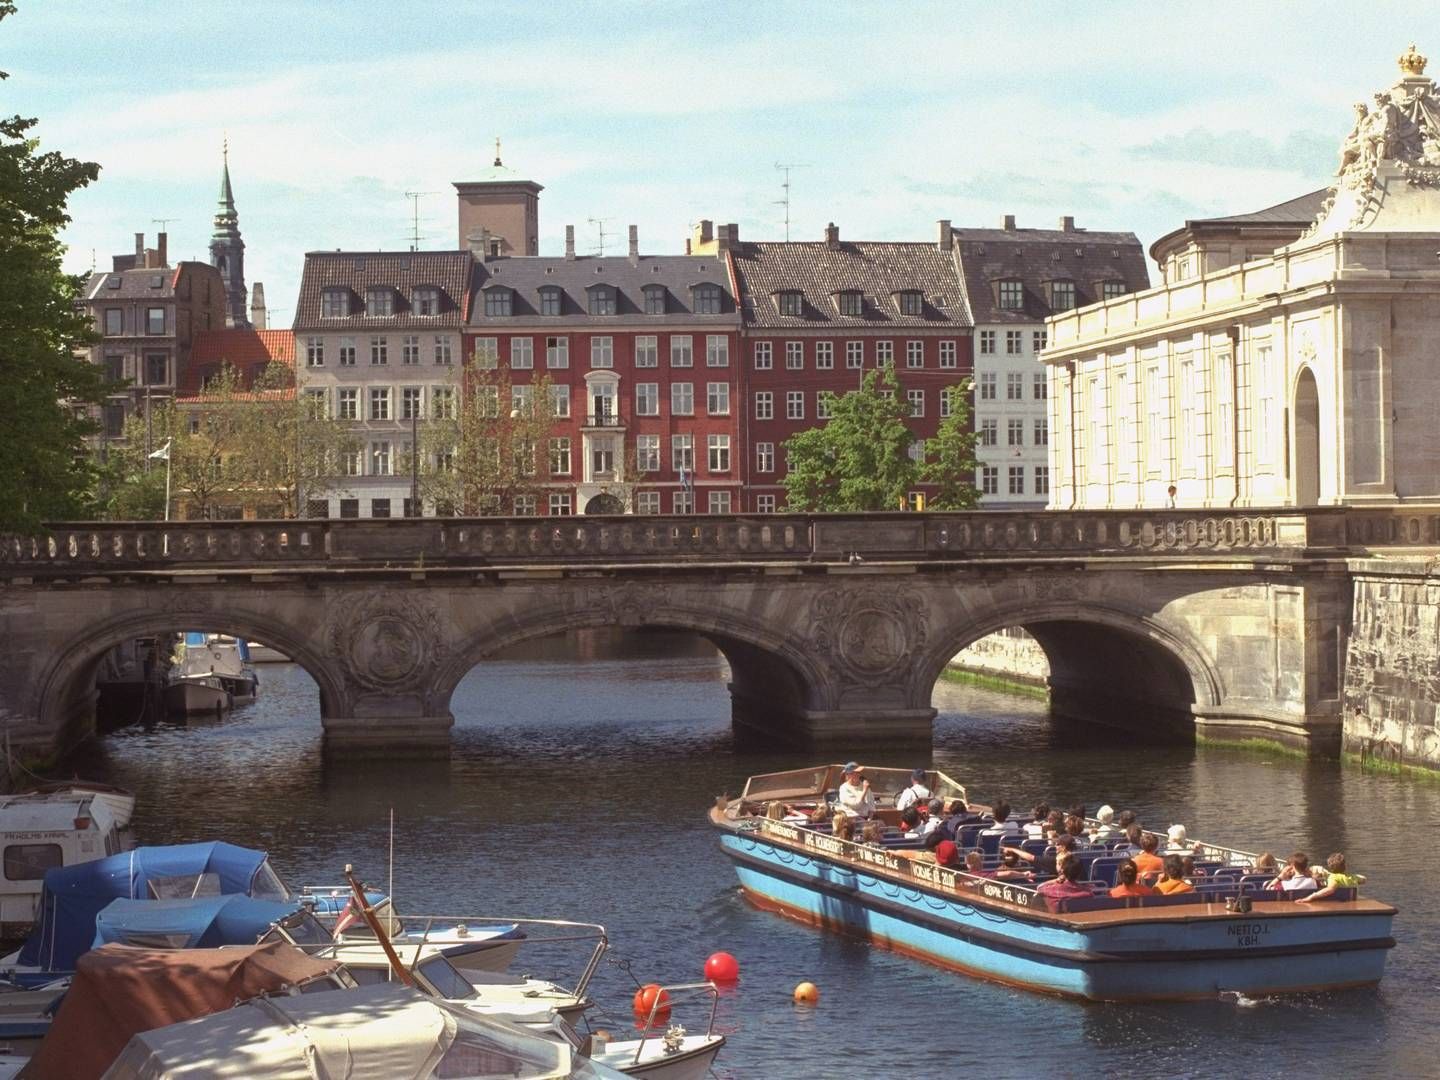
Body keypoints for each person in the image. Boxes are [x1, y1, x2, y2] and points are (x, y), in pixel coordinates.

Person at [1298, 853, 1365, 903]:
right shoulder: (1352, 877)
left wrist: (1311, 897)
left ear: (1330, 866)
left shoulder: (1332, 877)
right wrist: (1356, 878)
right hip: (1352, 902)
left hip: (1337, 903)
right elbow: (1363, 879)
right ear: (1345, 866)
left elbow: (1330, 889)